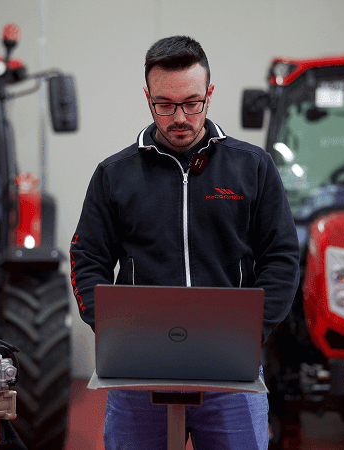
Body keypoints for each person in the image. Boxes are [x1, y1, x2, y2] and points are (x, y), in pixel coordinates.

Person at [70, 35, 299, 450]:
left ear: (209, 94)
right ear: (147, 97)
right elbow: (87, 257)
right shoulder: (114, 175)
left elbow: (281, 258)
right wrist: (110, 327)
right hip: (138, 372)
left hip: (231, 372)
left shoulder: (253, 168)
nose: (179, 117)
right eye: (165, 105)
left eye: (192, 103)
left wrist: (253, 332)